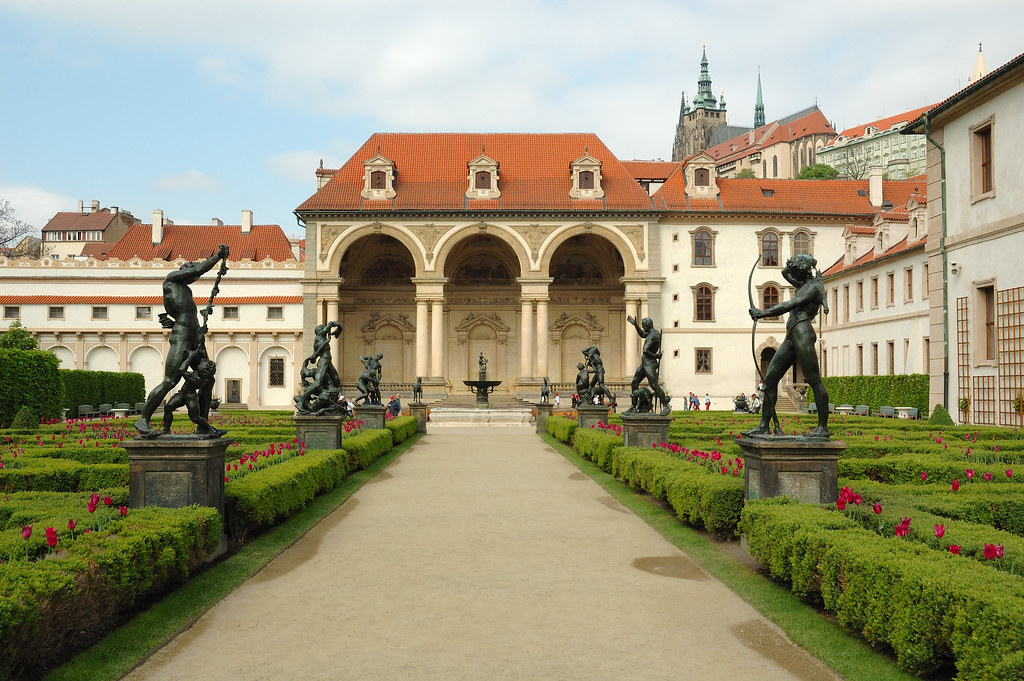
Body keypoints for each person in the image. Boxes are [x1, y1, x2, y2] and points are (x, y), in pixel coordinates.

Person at [135, 244, 229, 437]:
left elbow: (185, 314)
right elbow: (198, 270)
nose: (195, 277)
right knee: (170, 381)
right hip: (182, 338)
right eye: (192, 272)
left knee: (208, 379)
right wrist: (217, 257)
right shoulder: (171, 280)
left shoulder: (186, 291)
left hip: (194, 338)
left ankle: (203, 426)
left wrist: (199, 330)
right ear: (184, 270)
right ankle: (143, 419)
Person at [744, 254, 830, 438]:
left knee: (814, 380)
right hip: (792, 336)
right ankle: (763, 426)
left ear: (802, 271)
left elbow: (789, 304)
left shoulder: (813, 288)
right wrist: (793, 264)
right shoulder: (803, 284)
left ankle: (823, 427)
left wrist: (762, 313)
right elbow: (784, 272)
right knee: (770, 380)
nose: (792, 274)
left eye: (795, 271)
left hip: (803, 335)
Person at [625, 316, 671, 415]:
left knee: (653, 384)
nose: (642, 327)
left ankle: (665, 405)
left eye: (643, 326)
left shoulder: (652, 336)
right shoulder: (653, 332)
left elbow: (645, 350)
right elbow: (642, 334)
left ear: (647, 326)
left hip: (649, 362)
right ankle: (633, 407)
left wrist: (656, 356)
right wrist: (635, 325)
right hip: (645, 362)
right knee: (634, 382)